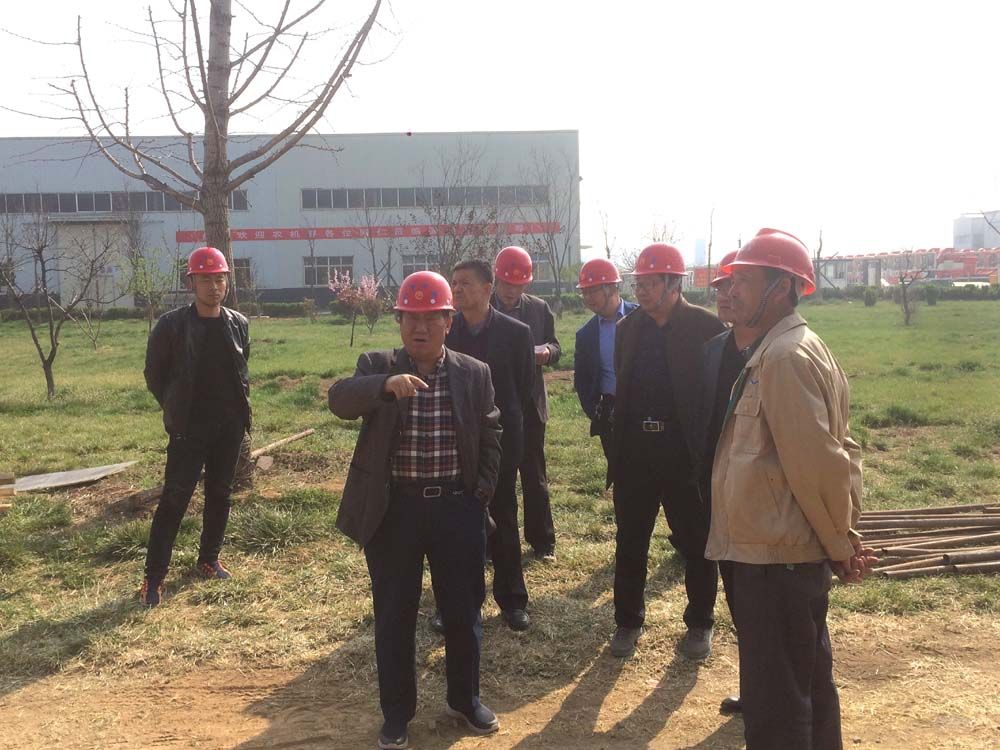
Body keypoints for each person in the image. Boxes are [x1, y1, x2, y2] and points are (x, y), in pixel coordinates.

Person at [705, 228, 876, 750]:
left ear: (781, 288)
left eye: (745, 280)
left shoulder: (783, 358)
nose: (731, 290)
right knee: (806, 685)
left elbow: (817, 463)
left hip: (776, 559)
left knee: (777, 706)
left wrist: (841, 544)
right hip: (777, 552)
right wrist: (839, 539)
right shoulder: (786, 348)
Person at [328, 271, 503, 750]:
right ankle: (397, 714)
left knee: (463, 611)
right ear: (399, 321)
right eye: (410, 318)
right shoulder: (377, 365)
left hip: (456, 509)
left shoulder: (474, 372)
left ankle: (464, 700)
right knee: (394, 616)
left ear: (449, 321)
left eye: (431, 318)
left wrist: (480, 493)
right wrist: (384, 385)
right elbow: (339, 399)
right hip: (395, 513)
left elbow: (491, 432)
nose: (420, 328)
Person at [605, 243, 725, 660]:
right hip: (636, 451)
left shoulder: (707, 328)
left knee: (696, 542)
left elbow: (716, 396)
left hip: (684, 453)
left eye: (650, 283)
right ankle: (628, 621)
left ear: (675, 285)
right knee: (631, 540)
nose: (641, 290)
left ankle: (700, 623)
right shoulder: (628, 329)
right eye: (638, 282)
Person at [140, 246, 251, 607]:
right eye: (206, 279)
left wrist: (237, 418)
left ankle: (208, 559)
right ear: (192, 283)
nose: (214, 286)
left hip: (228, 427)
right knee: (175, 499)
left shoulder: (237, 323)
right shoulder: (171, 326)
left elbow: (241, 371)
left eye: (219, 279)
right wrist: (175, 408)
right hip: (189, 428)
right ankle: (154, 577)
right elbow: (154, 374)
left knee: (220, 493)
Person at [447, 259, 536, 631]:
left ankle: (512, 600)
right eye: (454, 283)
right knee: (456, 523)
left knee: (503, 515)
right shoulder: (446, 330)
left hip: (500, 439)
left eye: (465, 283)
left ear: (488, 288)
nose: (457, 289)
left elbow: (524, 388)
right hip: (455, 438)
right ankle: (456, 603)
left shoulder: (516, 333)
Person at [696, 250, 744, 715]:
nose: (726, 295)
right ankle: (756, 685)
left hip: (766, 498)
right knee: (738, 592)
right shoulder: (714, 350)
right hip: (720, 489)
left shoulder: (785, 352)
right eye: (720, 288)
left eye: (736, 285)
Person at [491, 246, 560, 561]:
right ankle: (493, 541)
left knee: (534, 475)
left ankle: (542, 541)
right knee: (494, 476)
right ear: (496, 279)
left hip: (530, 405)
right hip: (492, 404)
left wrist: (548, 353)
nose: (511, 291)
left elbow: (556, 346)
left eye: (518, 285)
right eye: (507, 284)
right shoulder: (483, 308)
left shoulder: (539, 309)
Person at [573, 258, 637, 465]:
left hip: (644, 410)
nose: (588, 298)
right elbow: (582, 380)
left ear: (611, 287)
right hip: (610, 414)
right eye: (584, 292)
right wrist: (595, 412)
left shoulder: (642, 318)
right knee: (620, 472)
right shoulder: (586, 334)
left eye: (593, 291)